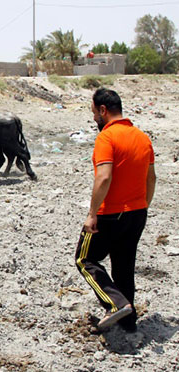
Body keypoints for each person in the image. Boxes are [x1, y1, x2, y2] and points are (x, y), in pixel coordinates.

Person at [74, 88, 156, 332]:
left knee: (84, 259)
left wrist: (92, 214)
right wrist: (142, 207)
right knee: (123, 266)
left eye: (94, 114)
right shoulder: (142, 137)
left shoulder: (107, 138)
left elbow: (104, 178)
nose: (93, 120)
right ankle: (128, 322)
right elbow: (151, 179)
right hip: (138, 211)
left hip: (111, 214)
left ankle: (116, 304)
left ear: (103, 110)